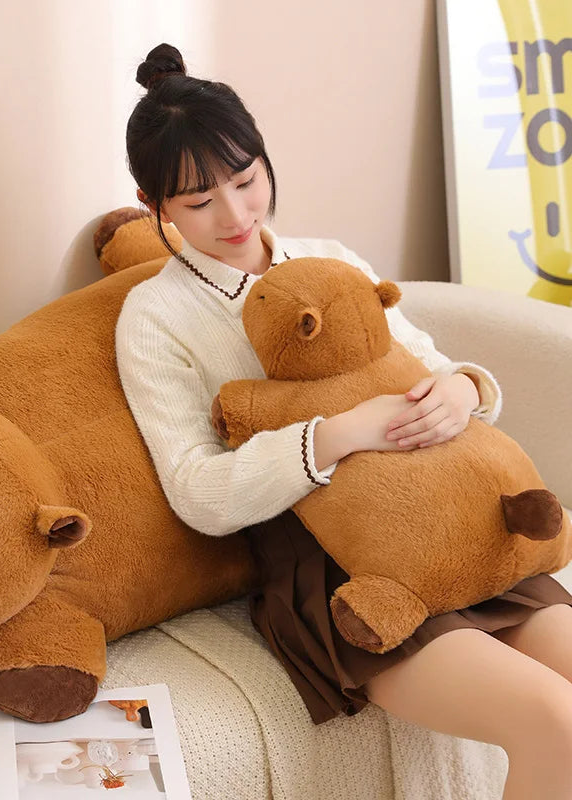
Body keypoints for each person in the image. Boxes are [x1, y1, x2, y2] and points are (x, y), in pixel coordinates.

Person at [115, 43, 572, 799]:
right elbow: (197, 492)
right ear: (151, 203)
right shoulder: (155, 317)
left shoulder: (329, 259)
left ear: (264, 160)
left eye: (246, 179)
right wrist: (338, 433)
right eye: (198, 201)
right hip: (338, 571)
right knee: (553, 720)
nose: (234, 214)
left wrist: (462, 389)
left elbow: (430, 363)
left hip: (451, 521)